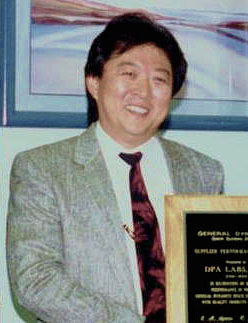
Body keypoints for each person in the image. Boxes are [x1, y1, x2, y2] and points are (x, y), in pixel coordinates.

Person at [7, 12, 223, 323]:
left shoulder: (204, 171)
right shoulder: (42, 169)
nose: (144, 92)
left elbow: (215, 274)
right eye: (129, 74)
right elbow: (35, 280)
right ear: (94, 82)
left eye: (159, 79)